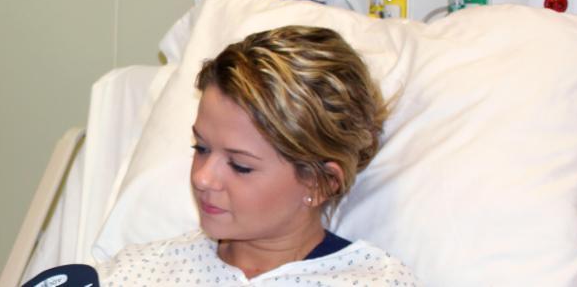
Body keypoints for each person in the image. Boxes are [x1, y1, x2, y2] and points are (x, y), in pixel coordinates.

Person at [97, 26, 417, 285]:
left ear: (321, 183)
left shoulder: (374, 282)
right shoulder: (136, 274)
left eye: (240, 166)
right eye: (201, 149)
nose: (202, 177)